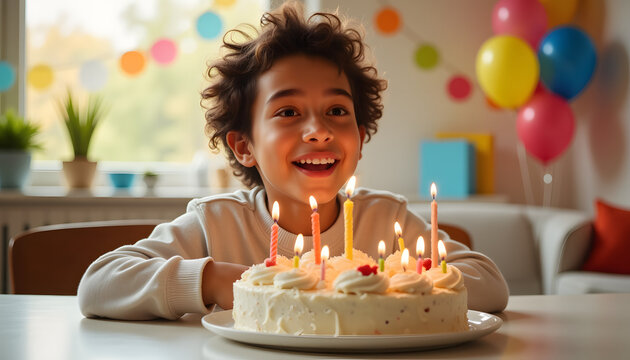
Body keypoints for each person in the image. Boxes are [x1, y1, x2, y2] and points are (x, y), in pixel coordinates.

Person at [78, 2, 508, 320]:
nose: (318, 130)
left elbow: (489, 283)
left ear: (359, 138)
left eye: (337, 111)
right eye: (287, 112)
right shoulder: (217, 224)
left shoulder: (384, 219)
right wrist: (211, 280)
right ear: (244, 146)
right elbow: (97, 284)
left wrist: (395, 281)